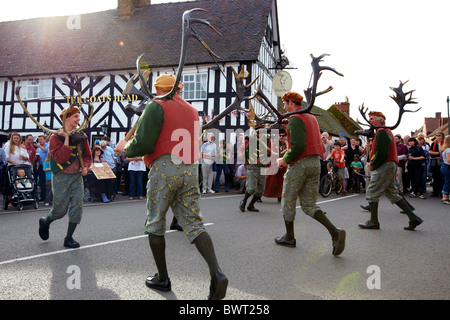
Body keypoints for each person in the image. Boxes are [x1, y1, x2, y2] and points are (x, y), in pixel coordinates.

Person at [114, 74, 227, 300]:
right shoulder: (193, 111)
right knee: (194, 223)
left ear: (157, 89)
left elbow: (145, 142)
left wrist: (126, 147)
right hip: (189, 167)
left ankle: (163, 278)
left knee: (155, 221)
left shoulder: (156, 105)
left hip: (164, 168)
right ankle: (217, 273)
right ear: (179, 89)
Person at [274, 91, 346, 256]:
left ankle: (289, 237)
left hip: (300, 164)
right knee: (309, 204)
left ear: (291, 102)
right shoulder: (311, 117)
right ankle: (334, 231)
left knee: (287, 199)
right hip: (315, 163)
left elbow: (298, 146)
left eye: (285, 103)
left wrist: (284, 159)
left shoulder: (295, 119)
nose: (284, 106)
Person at [358, 112, 423, 231]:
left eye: (371, 118)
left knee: (372, 191)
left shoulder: (382, 132)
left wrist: (373, 164)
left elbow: (382, 153)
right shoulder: (384, 131)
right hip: (389, 165)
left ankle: (373, 222)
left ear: (380, 120)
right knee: (393, 193)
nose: (370, 120)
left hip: (385, 165)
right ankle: (413, 218)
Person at [38, 106, 92, 249]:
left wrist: (86, 166)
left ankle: (68, 238)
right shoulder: (56, 137)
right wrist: (67, 138)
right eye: (75, 116)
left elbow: (87, 155)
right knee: (60, 210)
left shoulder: (81, 135)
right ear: (66, 118)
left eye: (79, 116)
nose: (79, 119)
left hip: (76, 176)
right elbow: (60, 159)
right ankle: (45, 222)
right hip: (61, 176)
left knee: (77, 206)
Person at [239, 131, 267, 212]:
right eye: (258, 132)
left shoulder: (267, 140)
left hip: (262, 167)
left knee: (260, 190)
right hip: (252, 166)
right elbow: (242, 152)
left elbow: (271, 152)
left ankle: (251, 205)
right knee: (251, 188)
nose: (260, 134)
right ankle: (243, 201)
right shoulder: (250, 140)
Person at [264, 131, 287, 200]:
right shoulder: (273, 143)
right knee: (269, 180)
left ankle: (280, 196)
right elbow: (268, 154)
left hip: (283, 165)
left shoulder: (286, 144)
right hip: (274, 164)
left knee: (282, 181)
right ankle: (259, 194)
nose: (281, 137)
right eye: (280, 135)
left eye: (283, 135)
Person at [429, 131, 445, 198]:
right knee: (435, 177)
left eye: (439, 135)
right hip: (434, 162)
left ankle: (442, 192)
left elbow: (441, 151)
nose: (437, 137)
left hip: (441, 162)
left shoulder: (443, 143)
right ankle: (435, 191)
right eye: (436, 135)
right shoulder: (433, 143)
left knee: (442, 178)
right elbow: (430, 152)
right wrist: (437, 153)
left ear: (442, 136)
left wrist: (437, 151)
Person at [34, 135, 49, 202]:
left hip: (47, 165)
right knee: (41, 181)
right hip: (40, 165)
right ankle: (43, 196)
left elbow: (48, 152)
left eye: (41, 139)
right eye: (39, 140)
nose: (40, 141)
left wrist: (39, 146)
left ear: (45, 140)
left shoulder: (47, 145)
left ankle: (48, 197)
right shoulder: (38, 148)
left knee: (48, 182)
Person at [439, 135, 450, 204]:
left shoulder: (445, 149)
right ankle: (445, 198)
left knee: (447, 181)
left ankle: (446, 197)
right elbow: (449, 160)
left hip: (445, 166)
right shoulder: (448, 149)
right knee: (448, 182)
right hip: (447, 167)